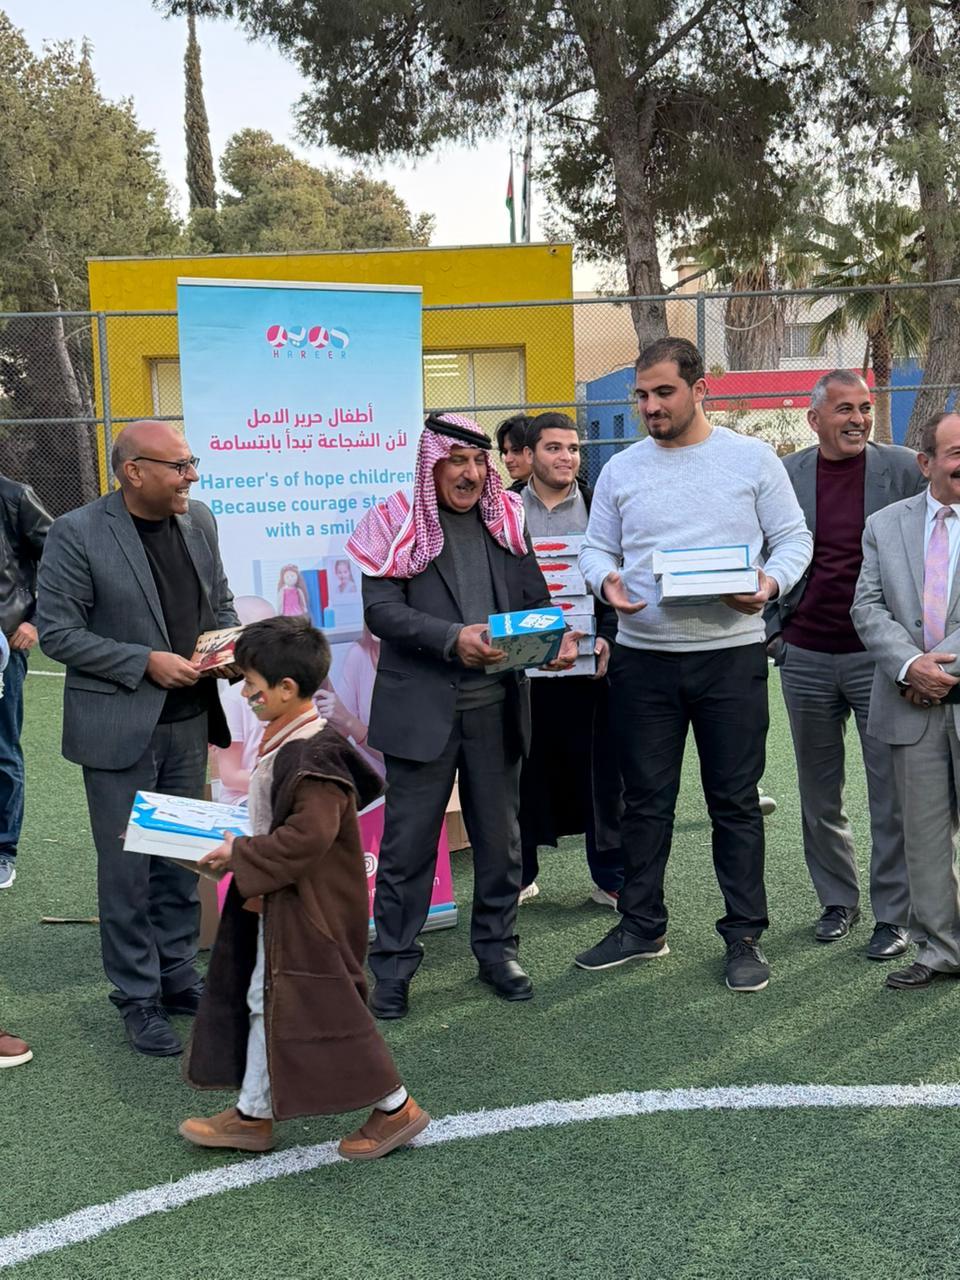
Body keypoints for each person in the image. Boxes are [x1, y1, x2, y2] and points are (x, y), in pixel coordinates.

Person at [577, 338, 813, 992]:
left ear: (699, 389)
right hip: (643, 660)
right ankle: (641, 925)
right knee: (644, 802)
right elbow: (595, 550)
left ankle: (744, 935)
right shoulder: (621, 469)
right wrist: (606, 583)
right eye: (642, 395)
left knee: (734, 802)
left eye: (664, 392)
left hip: (730, 659)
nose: (650, 406)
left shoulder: (751, 458)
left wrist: (768, 585)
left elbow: (794, 539)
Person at [346, 412, 579, 1019]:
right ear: (433, 464)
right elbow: (381, 613)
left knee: (500, 843)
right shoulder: (394, 522)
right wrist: (453, 638)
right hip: (421, 713)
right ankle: (393, 966)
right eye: (458, 461)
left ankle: (498, 952)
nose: (471, 473)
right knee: (408, 850)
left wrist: (554, 641)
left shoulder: (506, 519)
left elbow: (535, 602)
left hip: (496, 712)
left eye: (480, 462)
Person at [181, 617, 428, 1158]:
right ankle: (253, 1114)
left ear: (287, 688)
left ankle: (396, 1107)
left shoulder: (310, 755)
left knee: (330, 1009)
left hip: (311, 910)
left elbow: (306, 838)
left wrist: (241, 854)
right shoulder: (298, 741)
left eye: (252, 685)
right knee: (268, 999)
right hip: (288, 902)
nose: (245, 694)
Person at [37, 421, 238, 1057]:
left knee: (181, 861)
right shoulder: (77, 532)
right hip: (119, 730)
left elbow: (221, 603)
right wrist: (143, 661)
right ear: (134, 471)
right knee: (127, 871)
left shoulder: (198, 520)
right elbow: (57, 633)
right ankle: (136, 997)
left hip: (189, 722)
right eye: (179, 466)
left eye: (191, 463)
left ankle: (177, 977)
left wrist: (227, 647)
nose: (191, 477)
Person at [770, 370, 923, 957]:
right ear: (814, 419)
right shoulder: (786, 475)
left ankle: (894, 915)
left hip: (879, 658)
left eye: (864, 407)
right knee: (819, 791)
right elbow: (761, 550)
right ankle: (837, 901)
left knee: (891, 793)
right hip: (805, 654)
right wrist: (774, 635)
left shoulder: (903, 468)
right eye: (844, 410)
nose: (859, 419)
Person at [852, 409, 960, 989]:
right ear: (926, 462)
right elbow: (867, 606)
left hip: (943, 687)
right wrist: (908, 666)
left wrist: (937, 667)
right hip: (908, 703)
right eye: (956, 452)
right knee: (923, 839)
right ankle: (942, 951)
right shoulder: (884, 524)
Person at [511, 411, 623, 907]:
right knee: (522, 773)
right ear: (529, 454)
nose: (567, 457)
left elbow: (619, 579)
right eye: (554, 448)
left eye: (573, 448)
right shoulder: (504, 509)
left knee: (604, 776)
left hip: (590, 670)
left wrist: (608, 637)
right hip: (525, 672)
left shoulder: (601, 508)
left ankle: (611, 878)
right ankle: (519, 876)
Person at [0, 474, 53, 890]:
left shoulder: (15, 497)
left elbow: (63, 560)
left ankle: (3, 851)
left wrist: (36, 620)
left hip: (3, 644)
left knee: (2, 748)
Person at [314, 625, 385, 777]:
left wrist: (349, 721)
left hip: (404, 785)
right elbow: (340, 732)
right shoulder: (359, 653)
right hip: (368, 781)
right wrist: (320, 677)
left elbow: (399, 758)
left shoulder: (420, 666)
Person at [496, 414, 533, 487]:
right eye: (505, 452)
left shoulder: (555, 489)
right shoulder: (511, 494)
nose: (507, 460)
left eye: (516, 450)